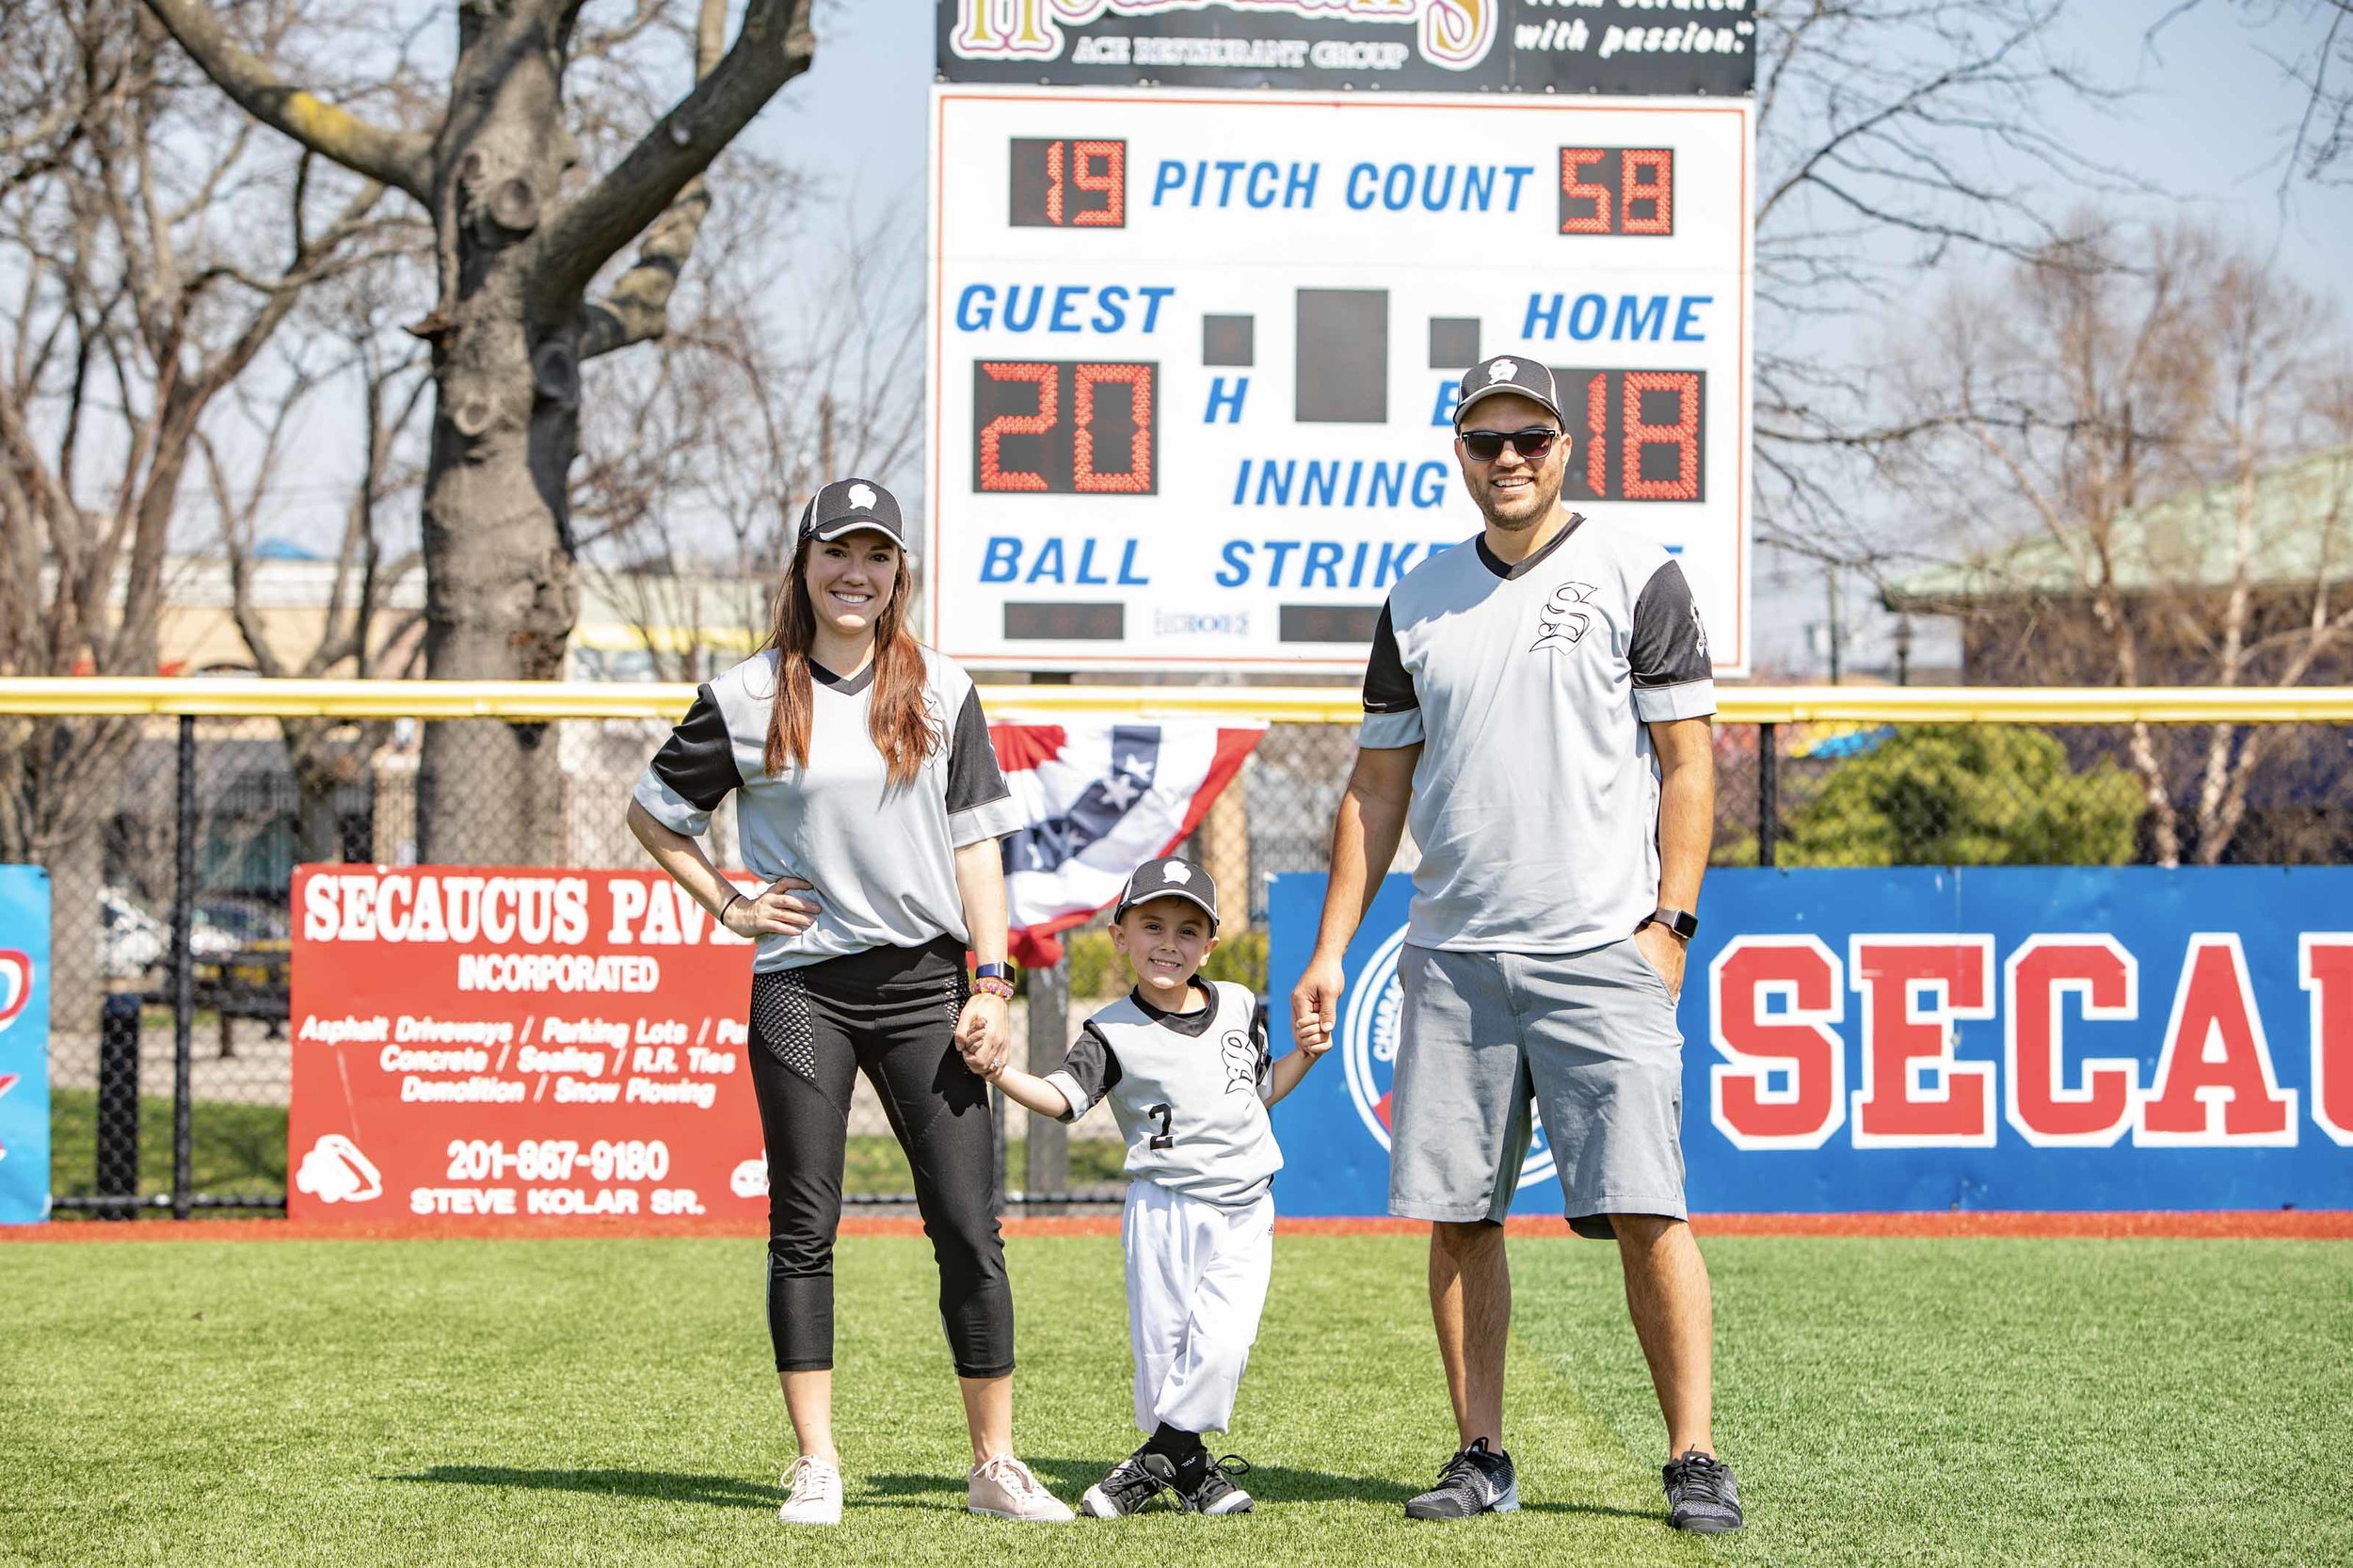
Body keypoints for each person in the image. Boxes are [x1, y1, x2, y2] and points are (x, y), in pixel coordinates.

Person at [1289, 356, 1742, 1533]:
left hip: (1603, 948)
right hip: (1453, 953)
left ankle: (1692, 1454)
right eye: (1485, 440)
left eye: (1527, 439)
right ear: (1459, 452)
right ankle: (1479, 1451)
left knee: (1648, 1208)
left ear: (1564, 446)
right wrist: (1337, 943)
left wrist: (1672, 926)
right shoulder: (1417, 597)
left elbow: (1689, 761)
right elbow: (1376, 786)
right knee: (1460, 1216)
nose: (1507, 460)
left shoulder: (1637, 573)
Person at [626, 477, 1073, 1527]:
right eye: (838, 552)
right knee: (804, 1225)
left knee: (967, 1225)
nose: (856, 573)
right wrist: (730, 905)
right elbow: (655, 816)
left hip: (927, 986)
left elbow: (977, 849)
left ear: (898, 573)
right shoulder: (744, 694)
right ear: (804, 564)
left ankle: (994, 1465)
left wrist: (992, 981)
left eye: (877, 556)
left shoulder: (944, 690)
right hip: (802, 989)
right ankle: (815, 1461)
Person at [975, 856, 1326, 1518]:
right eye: (1153, 925)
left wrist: (1305, 1053)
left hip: (1246, 1206)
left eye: (1189, 931)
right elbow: (1060, 1098)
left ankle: (1158, 1459)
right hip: (1164, 1209)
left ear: (1211, 944)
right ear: (1120, 935)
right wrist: (999, 1073)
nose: (1170, 943)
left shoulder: (1241, 1006)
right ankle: (1188, 1468)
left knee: (1223, 1344)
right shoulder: (1111, 1030)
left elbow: (1257, 1093)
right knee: (1164, 1355)